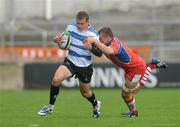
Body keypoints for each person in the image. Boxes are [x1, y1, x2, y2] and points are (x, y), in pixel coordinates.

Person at [84, 27, 167, 117]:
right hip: (129, 69)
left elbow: (108, 51)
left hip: (136, 69)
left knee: (131, 92)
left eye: (100, 38)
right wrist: (91, 48)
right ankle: (133, 112)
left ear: (107, 37)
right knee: (126, 94)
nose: (99, 40)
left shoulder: (115, 45)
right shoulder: (108, 43)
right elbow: (100, 53)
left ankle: (151, 67)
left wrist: (94, 41)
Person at [38, 11, 102, 118]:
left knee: (85, 93)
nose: (79, 26)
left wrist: (91, 48)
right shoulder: (71, 27)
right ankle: (50, 107)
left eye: (82, 24)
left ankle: (96, 105)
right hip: (71, 61)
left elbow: (99, 53)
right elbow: (64, 45)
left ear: (87, 23)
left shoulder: (93, 34)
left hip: (85, 67)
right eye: (78, 23)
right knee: (56, 79)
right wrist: (57, 41)